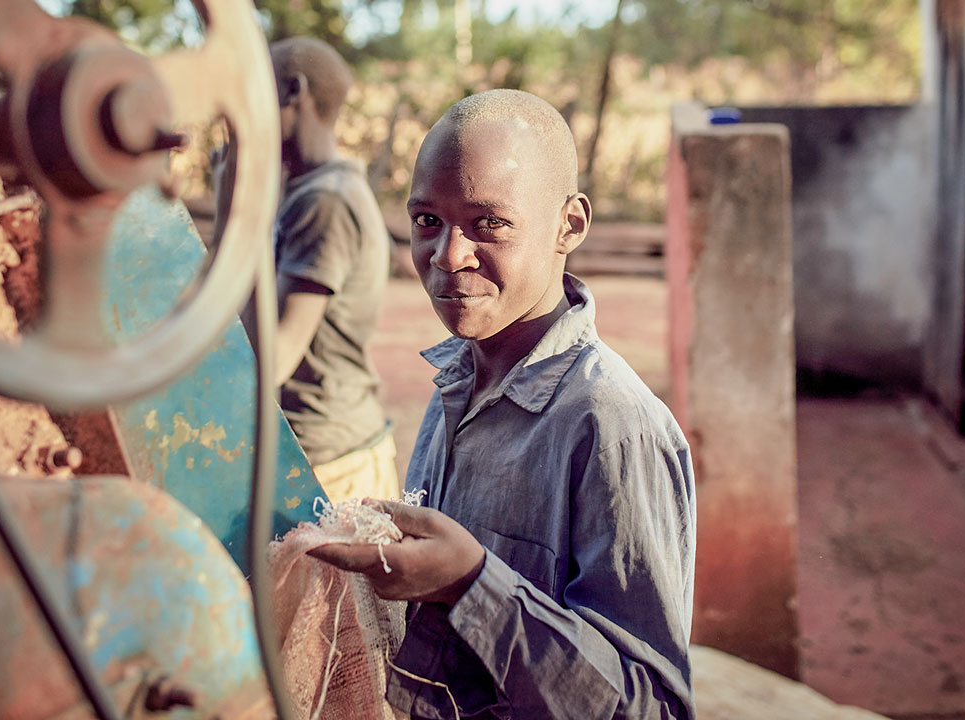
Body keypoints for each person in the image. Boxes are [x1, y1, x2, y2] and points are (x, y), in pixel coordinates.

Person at [309, 89, 696, 719]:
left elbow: (653, 708)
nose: (448, 255)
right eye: (427, 221)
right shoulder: (456, 383)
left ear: (568, 225)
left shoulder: (610, 425)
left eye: (489, 223)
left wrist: (470, 583)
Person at [267, 37, 397, 502]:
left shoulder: (326, 202)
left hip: (328, 467)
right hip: (325, 454)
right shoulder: (308, 192)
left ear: (291, 91)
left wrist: (229, 224)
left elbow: (273, 359)